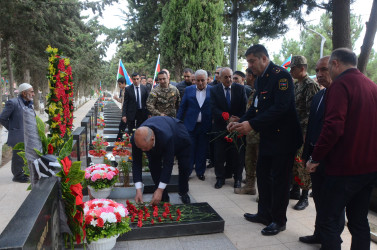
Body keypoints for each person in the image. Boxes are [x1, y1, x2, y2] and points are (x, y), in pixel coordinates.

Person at [306, 48, 377, 250]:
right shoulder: (372, 86)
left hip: (344, 169)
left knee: (328, 220)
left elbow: (333, 127)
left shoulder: (341, 85)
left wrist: (315, 157)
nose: (327, 71)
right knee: (359, 221)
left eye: (328, 67)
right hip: (368, 169)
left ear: (335, 63)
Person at [229, 44, 302, 236]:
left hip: (284, 138)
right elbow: (255, 108)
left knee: (279, 180)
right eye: (248, 62)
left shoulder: (281, 76)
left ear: (264, 58)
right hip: (268, 136)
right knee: (262, 174)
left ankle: (279, 220)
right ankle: (264, 213)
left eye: (252, 61)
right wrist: (241, 121)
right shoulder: (260, 80)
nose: (250, 66)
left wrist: (251, 125)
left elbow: (281, 108)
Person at [299, 56, 345, 245]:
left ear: (335, 68)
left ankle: (332, 239)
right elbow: (312, 127)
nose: (319, 75)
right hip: (314, 157)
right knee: (318, 198)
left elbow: (335, 129)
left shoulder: (340, 95)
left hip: (332, 160)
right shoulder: (319, 95)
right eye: (317, 71)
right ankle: (319, 233)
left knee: (334, 205)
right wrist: (305, 156)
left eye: (323, 70)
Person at [131, 116, 192, 205]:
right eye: (140, 148)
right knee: (154, 166)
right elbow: (136, 163)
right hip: (158, 138)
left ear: (152, 139)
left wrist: (160, 189)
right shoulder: (137, 139)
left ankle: (183, 191)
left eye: (144, 148)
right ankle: (164, 196)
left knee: (184, 166)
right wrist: (138, 189)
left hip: (179, 137)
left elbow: (168, 164)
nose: (142, 150)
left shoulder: (166, 137)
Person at [288, 55, 320, 210]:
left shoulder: (310, 85)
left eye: (293, 68)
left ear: (302, 68)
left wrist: (306, 133)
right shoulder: (296, 85)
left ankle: (304, 196)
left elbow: (311, 112)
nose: (291, 71)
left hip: (304, 133)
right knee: (294, 163)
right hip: (294, 131)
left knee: (301, 163)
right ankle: (295, 190)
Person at [210, 67, 247, 191]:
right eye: (226, 77)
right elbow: (213, 108)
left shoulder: (240, 89)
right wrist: (226, 118)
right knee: (219, 154)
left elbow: (244, 107)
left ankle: (237, 179)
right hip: (220, 127)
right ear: (220, 78)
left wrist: (238, 120)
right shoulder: (214, 90)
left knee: (238, 154)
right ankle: (220, 178)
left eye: (230, 76)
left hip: (237, 127)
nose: (229, 79)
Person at [177, 69, 212, 181]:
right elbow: (182, 107)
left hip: (205, 125)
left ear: (207, 80)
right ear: (194, 80)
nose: (201, 83)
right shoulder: (188, 90)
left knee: (202, 150)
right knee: (190, 150)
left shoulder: (213, 90)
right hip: (190, 125)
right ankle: (187, 172)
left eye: (203, 80)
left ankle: (200, 172)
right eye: (198, 80)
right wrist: (177, 122)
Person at [0, 83, 35, 183]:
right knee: (18, 156)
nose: (33, 94)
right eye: (31, 92)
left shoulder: (29, 103)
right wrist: (13, 128)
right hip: (18, 135)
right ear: (24, 93)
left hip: (29, 135)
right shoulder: (13, 103)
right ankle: (18, 176)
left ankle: (25, 172)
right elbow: (2, 118)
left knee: (26, 155)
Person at [235, 68, 259, 195]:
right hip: (250, 134)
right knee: (249, 160)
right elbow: (250, 112)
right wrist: (240, 120)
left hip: (259, 133)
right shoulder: (254, 92)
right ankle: (250, 186)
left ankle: (263, 192)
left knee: (260, 163)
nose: (246, 77)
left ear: (251, 76)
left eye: (248, 75)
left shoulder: (261, 92)